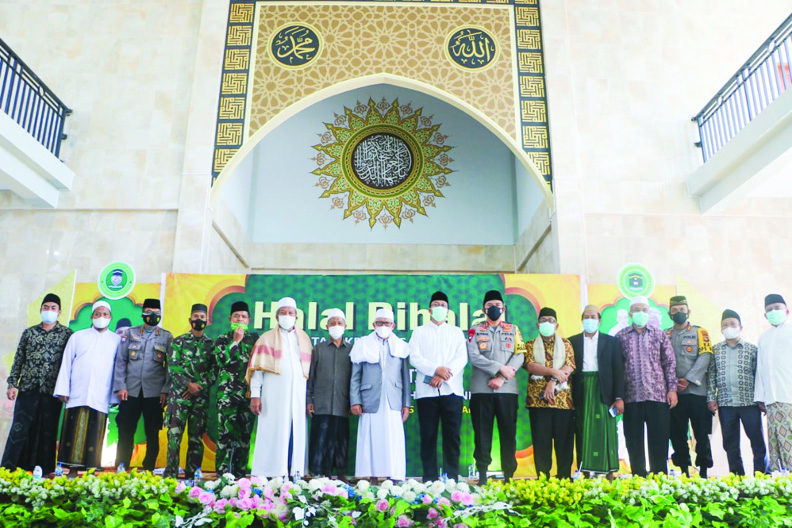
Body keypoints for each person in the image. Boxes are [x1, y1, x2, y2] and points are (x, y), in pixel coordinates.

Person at [2, 294, 73, 474]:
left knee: (47, 432)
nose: (49, 311)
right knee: (20, 428)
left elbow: (70, 364)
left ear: (60, 312)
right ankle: (8, 470)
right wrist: (12, 384)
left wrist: (67, 389)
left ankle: (44, 470)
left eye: (53, 308)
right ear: (41, 310)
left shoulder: (67, 335)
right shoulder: (29, 333)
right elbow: (18, 360)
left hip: (52, 390)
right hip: (28, 387)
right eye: (46, 307)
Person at [248, 297, 313, 478]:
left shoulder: (304, 339)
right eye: (283, 313)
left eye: (290, 313)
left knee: (295, 433)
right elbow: (257, 371)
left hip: (298, 398)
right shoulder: (266, 338)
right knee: (273, 432)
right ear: (277, 316)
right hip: (273, 397)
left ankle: (294, 472)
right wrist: (255, 395)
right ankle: (269, 472)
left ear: (296, 317)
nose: (287, 316)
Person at [53, 300, 121, 470]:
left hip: (100, 393)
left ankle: (91, 469)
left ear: (110, 317)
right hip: (77, 392)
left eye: (105, 314)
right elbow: (66, 363)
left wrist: (114, 395)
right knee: (73, 433)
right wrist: (63, 389)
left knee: (94, 434)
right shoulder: (78, 336)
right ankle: (70, 470)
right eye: (97, 314)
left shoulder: (117, 340)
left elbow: (118, 369)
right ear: (92, 316)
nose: (101, 317)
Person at [467, 290, 525, 485]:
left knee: (508, 433)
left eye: (497, 305)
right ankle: (482, 475)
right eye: (490, 305)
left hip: (507, 390)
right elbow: (474, 356)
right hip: (481, 391)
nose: (494, 308)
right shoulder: (475, 330)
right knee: (482, 433)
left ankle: (509, 476)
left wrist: (501, 377)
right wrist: (500, 368)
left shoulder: (513, 329)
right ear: (484, 308)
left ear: (504, 308)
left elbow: (520, 355)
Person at [409, 291, 468, 482]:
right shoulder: (419, 331)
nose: (439, 308)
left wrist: (443, 376)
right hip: (427, 393)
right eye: (436, 304)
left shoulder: (456, 332)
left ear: (448, 310)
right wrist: (436, 369)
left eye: (443, 305)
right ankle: (429, 479)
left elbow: (462, 358)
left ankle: (452, 478)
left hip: (452, 391)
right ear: (429, 309)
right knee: (428, 436)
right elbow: (414, 357)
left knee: (452, 437)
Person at [616, 296, 677, 476]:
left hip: (657, 395)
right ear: (630, 313)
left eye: (644, 310)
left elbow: (669, 363)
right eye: (636, 310)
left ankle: (659, 477)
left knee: (659, 439)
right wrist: (618, 396)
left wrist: (672, 389)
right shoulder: (620, 337)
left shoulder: (659, 335)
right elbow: (617, 368)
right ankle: (639, 477)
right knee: (633, 441)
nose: (640, 313)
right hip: (631, 397)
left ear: (649, 313)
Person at [350, 308, 411, 482]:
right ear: (373, 324)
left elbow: (406, 378)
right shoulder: (362, 344)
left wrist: (406, 404)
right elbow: (355, 376)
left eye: (387, 323)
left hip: (394, 400)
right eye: (380, 323)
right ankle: (373, 476)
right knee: (371, 439)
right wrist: (355, 400)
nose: (383, 326)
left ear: (393, 325)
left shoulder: (401, 346)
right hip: (370, 398)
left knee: (393, 439)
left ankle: (394, 477)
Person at [113, 298, 172, 471]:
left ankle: (149, 468)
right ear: (143, 313)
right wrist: (120, 386)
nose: (151, 316)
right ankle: (122, 466)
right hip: (130, 390)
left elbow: (169, 367)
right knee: (125, 430)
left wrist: (165, 390)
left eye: (155, 313)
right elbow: (121, 361)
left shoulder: (166, 337)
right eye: (148, 312)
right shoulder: (130, 334)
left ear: (160, 315)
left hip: (154, 392)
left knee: (152, 432)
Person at [707, 309, 768, 475]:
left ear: (740, 327)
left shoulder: (752, 349)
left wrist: (762, 399)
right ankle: (737, 478)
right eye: (725, 325)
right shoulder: (716, 350)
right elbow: (711, 375)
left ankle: (762, 476)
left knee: (756, 440)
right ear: (721, 329)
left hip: (749, 403)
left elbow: (760, 376)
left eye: (732, 324)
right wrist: (711, 398)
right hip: (726, 404)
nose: (729, 327)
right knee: (730, 443)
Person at [569, 304, 624, 478]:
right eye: (586, 317)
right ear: (581, 320)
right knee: (583, 428)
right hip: (582, 388)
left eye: (593, 317)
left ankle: (610, 471)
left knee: (605, 428)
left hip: (604, 390)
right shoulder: (572, 341)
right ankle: (585, 471)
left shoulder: (611, 341)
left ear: (599, 321)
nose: (590, 320)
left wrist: (619, 397)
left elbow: (618, 370)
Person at [163, 303, 215, 479]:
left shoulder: (212, 345)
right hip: (179, 398)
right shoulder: (178, 342)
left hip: (200, 399)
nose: (198, 320)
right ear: (190, 320)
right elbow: (173, 368)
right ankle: (170, 475)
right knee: (174, 437)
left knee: (196, 439)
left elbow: (214, 371)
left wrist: (198, 387)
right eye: (195, 317)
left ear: (207, 321)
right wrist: (188, 385)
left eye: (202, 317)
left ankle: (192, 476)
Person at [525, 307, 576, 479]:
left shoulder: (566, 344)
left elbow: (570, 366)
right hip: (538, 403)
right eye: (544, 320)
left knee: (564, 444)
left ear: (557, 324)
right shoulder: (530, 345)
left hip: (563, 402)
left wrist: (552, 382)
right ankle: (543, 480)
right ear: (537, 324)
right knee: (541, 444)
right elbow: (531, 366)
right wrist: (555, 373)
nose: (547, 323)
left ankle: (564, 479)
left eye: (551, 320)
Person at [666, 295, 713, 478]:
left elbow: (706, 356)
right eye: (675, 310)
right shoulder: (665, 334)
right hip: (674, 393)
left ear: (688, 311)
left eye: (682, 309)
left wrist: (689, 379)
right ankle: (684, 470)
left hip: (696, 392)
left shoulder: (700, 332)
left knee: (701, 432)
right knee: (677, 433)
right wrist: (673, 383)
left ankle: (704, 470)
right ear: (670, 313)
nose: (679, 313)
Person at [306, 308, 353, 479]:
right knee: (320, 439)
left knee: (341, 440)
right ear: (326, 327)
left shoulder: (352, 350)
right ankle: (317, 472)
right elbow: (311, 376)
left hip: (343, 402)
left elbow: (355, 378)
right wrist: (309, 399)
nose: (336, 326)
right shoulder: (318, 349)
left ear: (345, 326)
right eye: (332, 323)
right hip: (322, 401)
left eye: (339, 323)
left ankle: (340, 473)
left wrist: (354, 401)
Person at [214, 300, 259, 478]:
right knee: (224, 437)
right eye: (236, 316)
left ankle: (240, 476)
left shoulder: (256, 340)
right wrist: (235, 342)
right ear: (229, 319)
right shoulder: (222, 339)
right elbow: (220, 361)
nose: (240, 319)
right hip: (227, 396)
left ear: (249, 320)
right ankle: (222, 476)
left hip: (248, 396)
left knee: (244, 438)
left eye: (243, 317)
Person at [754, 294, 792, 471]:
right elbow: (761, 369)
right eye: (769, 309)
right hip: (771, 399)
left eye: (777, 307)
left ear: (787, 310)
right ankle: (782, 482)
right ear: (765, 315)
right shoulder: (763, 338)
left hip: (789, 396)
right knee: (776, 442)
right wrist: (760, 397)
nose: (773, 312)